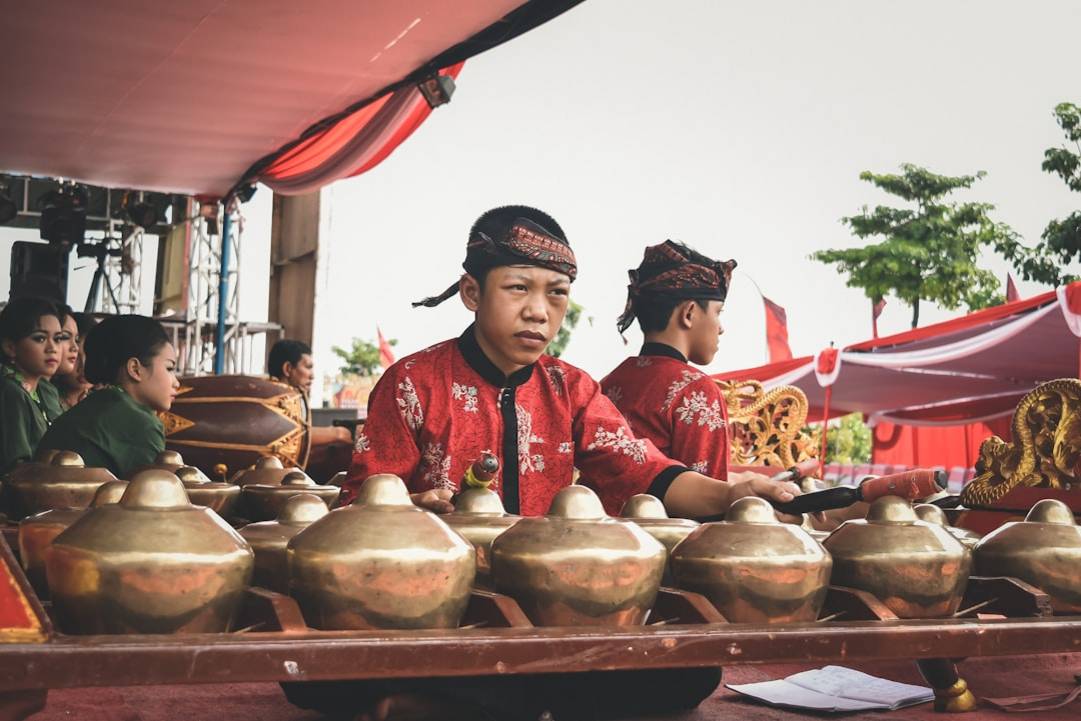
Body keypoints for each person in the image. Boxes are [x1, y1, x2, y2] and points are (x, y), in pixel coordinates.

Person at [289, 206, 800, 721]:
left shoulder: (571, 388)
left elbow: (643, 469)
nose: (539, 311)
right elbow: (353, 514)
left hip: (546, 617)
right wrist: (406, 509)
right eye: (518, 288)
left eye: (556, 293)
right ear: (472, 293)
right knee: (317, 671)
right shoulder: (411, 382)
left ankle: (458, 708)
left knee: (691, 672)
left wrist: (734, 493)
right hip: (436, 615)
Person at [600, 240, 737, 481]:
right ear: (689, 313)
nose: (721, 328)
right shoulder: (696, 391)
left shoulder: (607, 384)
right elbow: (710, 492)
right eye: (718, 313)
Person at [38, 315, 179, 478]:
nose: (176, 383)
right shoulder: (139, 422)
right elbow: (154, 490)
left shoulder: (93, 405)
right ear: (135, 369)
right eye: (169, 368)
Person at [0, 298, 65, 474]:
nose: (52, 348)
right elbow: (15, 468)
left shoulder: (46, 389)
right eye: (40, 338)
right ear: (10, 347)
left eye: (58, 339)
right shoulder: (10, 392)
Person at [267, 339, 352, 448]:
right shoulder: (269, 400)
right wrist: (339, 433)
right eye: (308, 367)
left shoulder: (296, 401)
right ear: (288, 369)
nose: (312, 376)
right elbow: (288, 436)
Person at [48, 306, 95, 410]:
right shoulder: (46, 398)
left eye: (91, 357)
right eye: (76, 357)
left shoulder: (104, 403)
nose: (83, 367)